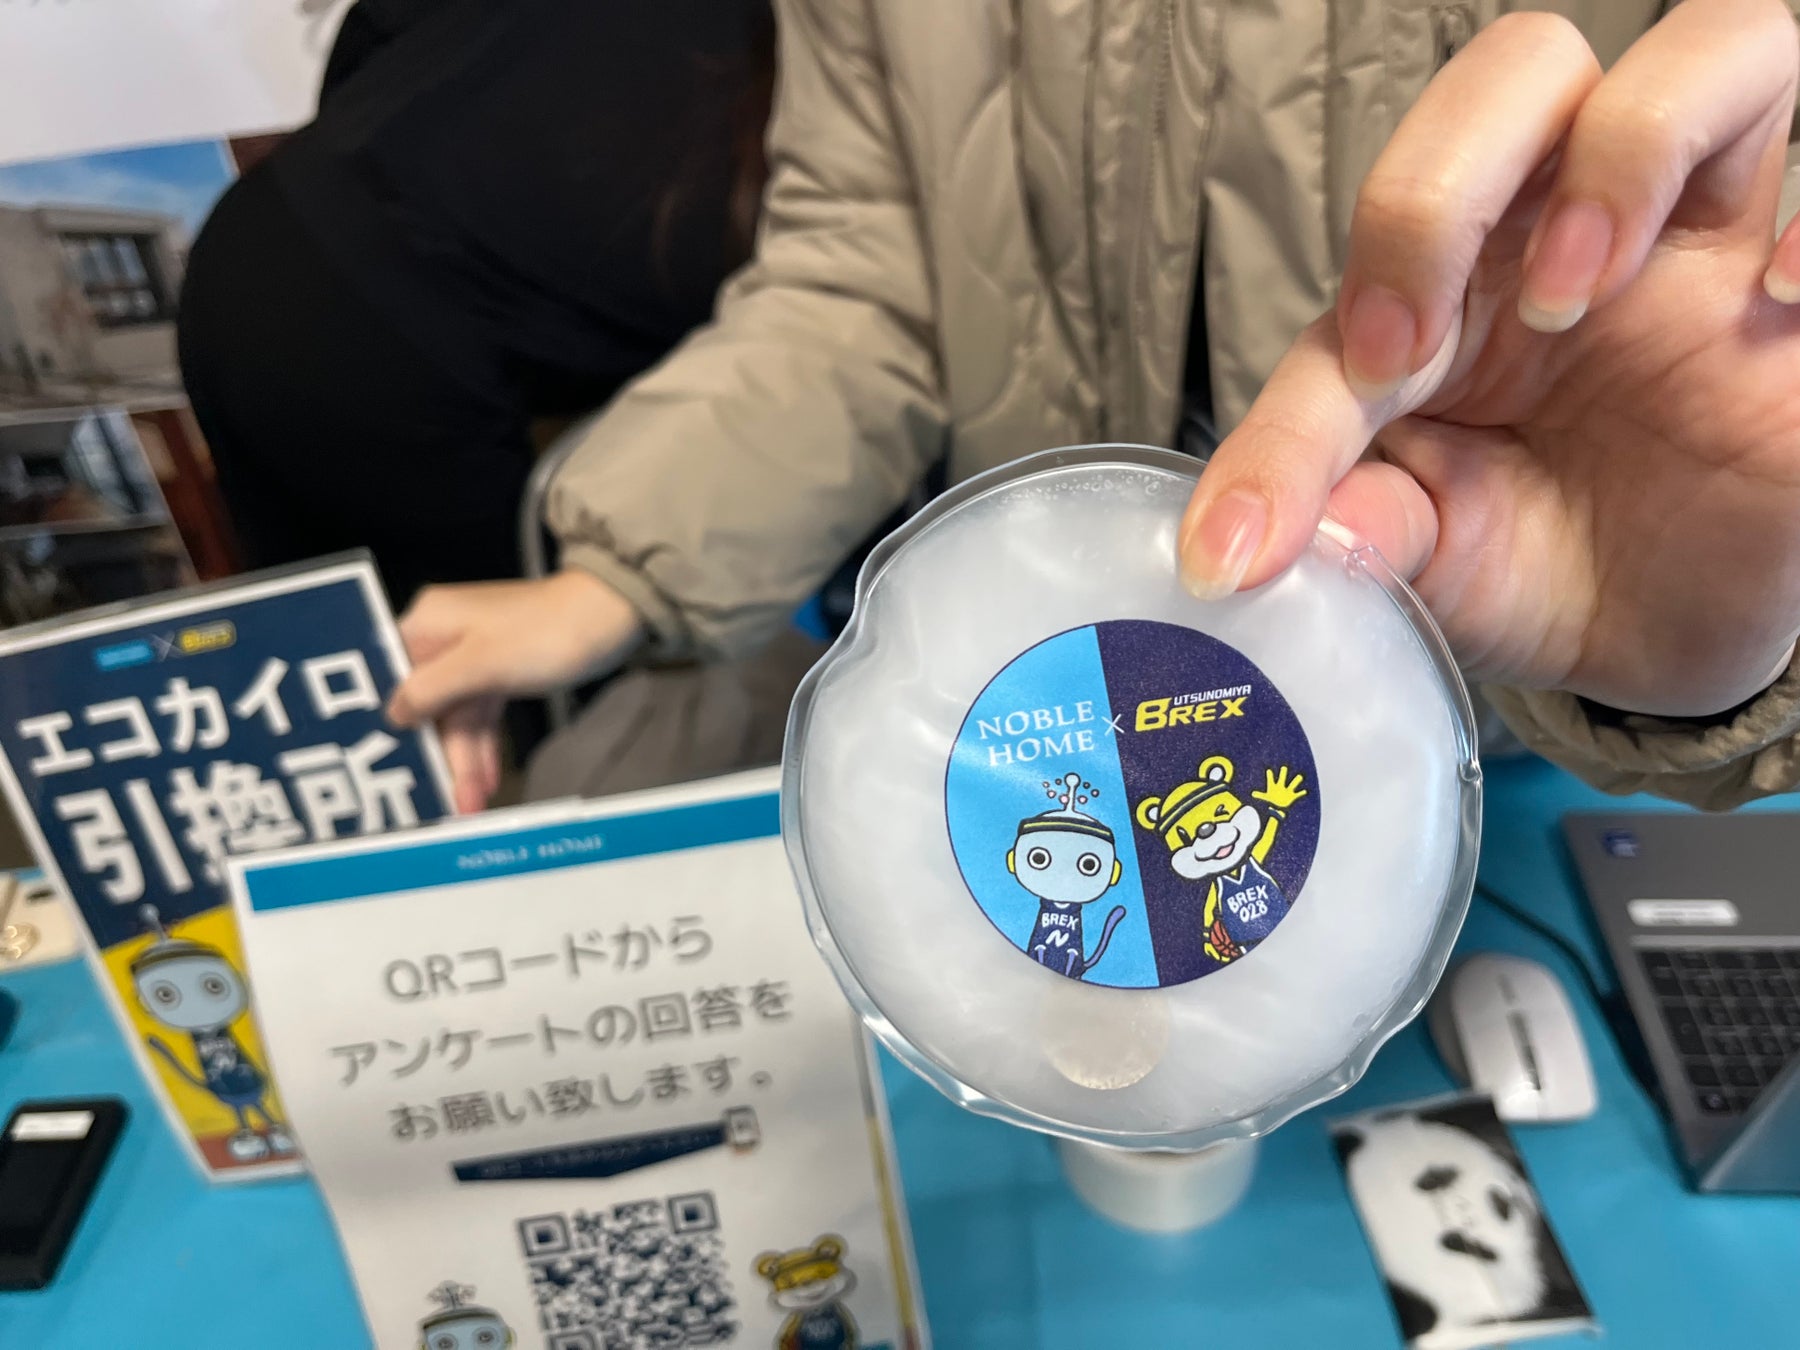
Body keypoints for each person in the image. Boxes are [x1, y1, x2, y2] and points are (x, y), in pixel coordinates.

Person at [389, 0, 1800, 816]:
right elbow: (870, 266)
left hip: (1478, 732)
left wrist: (1737, 643)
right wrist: (626, 567)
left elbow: (1734, 291)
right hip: (1054, 689)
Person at [178, 0, 774, 608]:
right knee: (483, 650)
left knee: (342, 632)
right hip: (377, 338)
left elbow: (383, 22)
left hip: (271, 231)